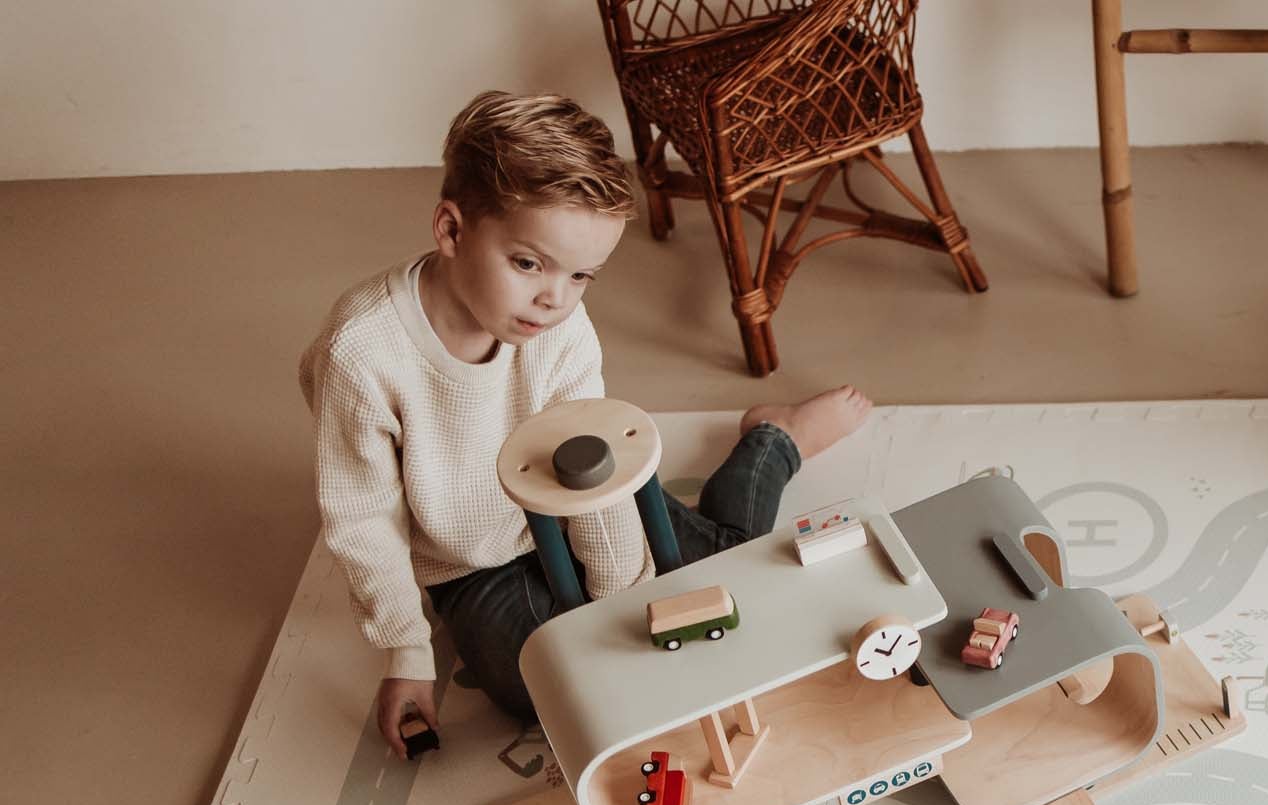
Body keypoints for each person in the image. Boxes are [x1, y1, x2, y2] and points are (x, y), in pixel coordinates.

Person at [300, 89, 870, 751]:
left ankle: (776, 440)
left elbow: (589, 468)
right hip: (472, 559)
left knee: (729, 576)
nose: (554, 300)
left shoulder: (558, 324)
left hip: (576, 496)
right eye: (528, 264)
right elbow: (363, 517)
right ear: (452, 230)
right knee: (537, 690)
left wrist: (631, 602)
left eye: (582, 277)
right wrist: (406, 651)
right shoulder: (361, 351)